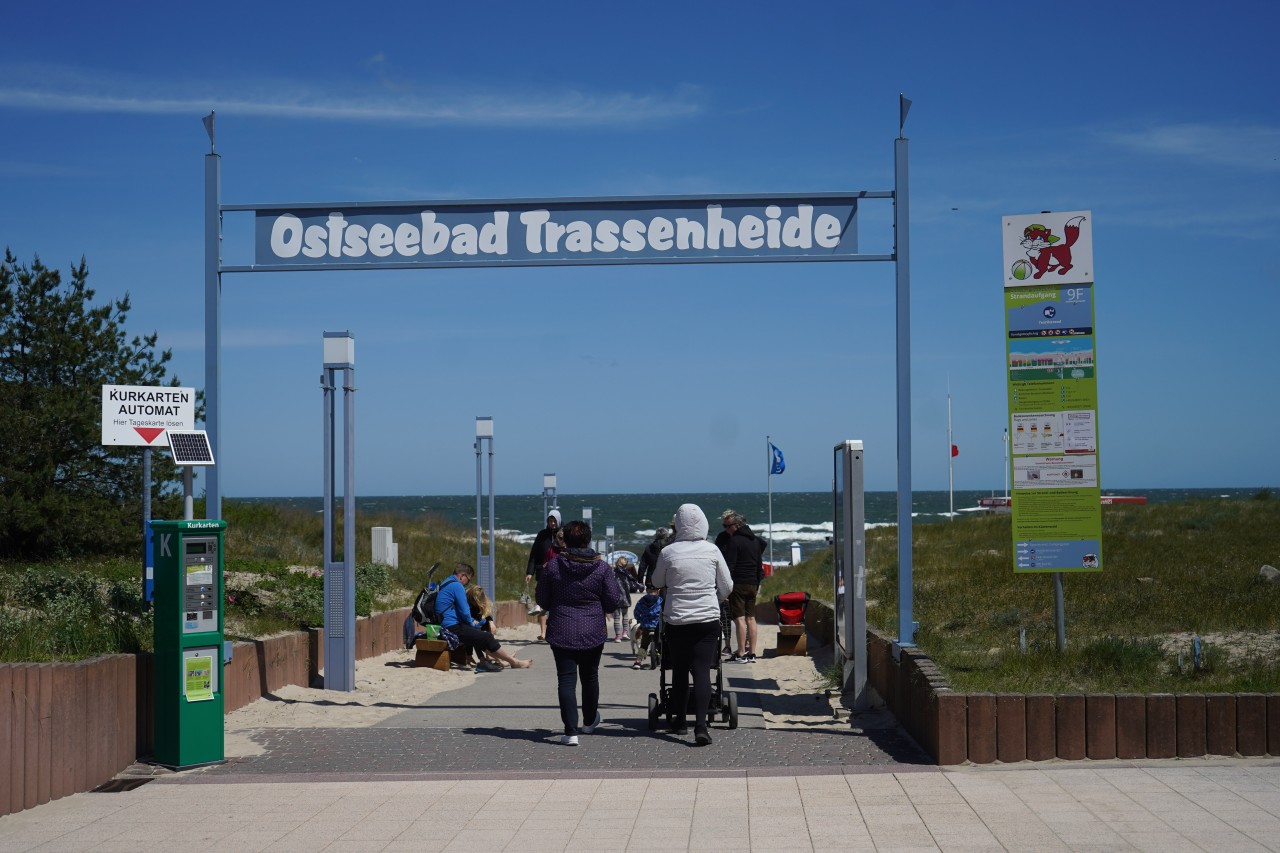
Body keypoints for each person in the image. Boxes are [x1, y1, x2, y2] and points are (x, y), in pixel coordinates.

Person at [536, 519, 626, 746]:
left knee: (566, 680)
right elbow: (614, 600)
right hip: (592, 629)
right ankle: (588, 721)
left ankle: (570, 731)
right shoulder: (602, 567)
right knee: (590, 675)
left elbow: (542, 599)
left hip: (562, 628)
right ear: (587, 540)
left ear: (565, 540)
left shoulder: (554, 566)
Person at [652, 503, 732, 746]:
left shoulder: (668, 552)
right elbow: (727, 586)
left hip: (677, 620)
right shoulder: (712, 550)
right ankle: (701, 726)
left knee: (678, 670)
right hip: (706, 620)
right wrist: (712, 599)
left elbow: (656, 580)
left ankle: (678, 721)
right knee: (702, 671)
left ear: (678, 524)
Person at [436, 563, 532, 671]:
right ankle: (513, 662)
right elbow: (465, 611)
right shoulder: (457, 586)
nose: (468, 583)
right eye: (468, 579)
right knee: (486, 637)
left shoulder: (446, 582)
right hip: (451, 626)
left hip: (445, 624)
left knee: (481, 637)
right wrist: (472, 623)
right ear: (462, 576)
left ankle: (506, 660)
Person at [718, 510, 768, 663]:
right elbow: (759, 565)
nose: (726, 529)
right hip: (753, 582)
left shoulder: (735, 541)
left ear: (737, 525)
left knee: (739, 619)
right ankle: (752, 653)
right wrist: (758, 583)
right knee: (751, 618)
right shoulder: (755, 540)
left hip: (738, 583)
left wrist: (726, 587)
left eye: (728, 526)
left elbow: (730, 566)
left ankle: (740, 653)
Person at [525, 509, 562, 641]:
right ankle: (543, 633)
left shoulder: (564, 534)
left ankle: (555, 631)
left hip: (559, 575)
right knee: (541, 602)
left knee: (556, 603)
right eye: (550, 521)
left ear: (558, 520)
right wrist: (530, 572)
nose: (552, 523)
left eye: (554, 521)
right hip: (542, 573)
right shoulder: (542, 535)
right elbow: (534, 554)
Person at [630, 583, 663, 669]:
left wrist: (639, 620)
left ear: (647, 590)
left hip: (646, 626)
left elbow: (636, 612)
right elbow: (665, 612)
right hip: (657, 626)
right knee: (660, 642)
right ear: (658, 591)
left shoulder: (642, 600)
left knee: (644, 644)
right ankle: (661, 655)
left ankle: (638, 661)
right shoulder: (660, 600)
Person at [610, 555, 636, 641]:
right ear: (625, 564)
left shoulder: (612, 571)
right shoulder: (626, 572)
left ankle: (617, 637)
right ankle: (625, 633)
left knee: (616, 617)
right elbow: (632, 584)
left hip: (615, 597)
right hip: (625, 597)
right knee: (625, 615)